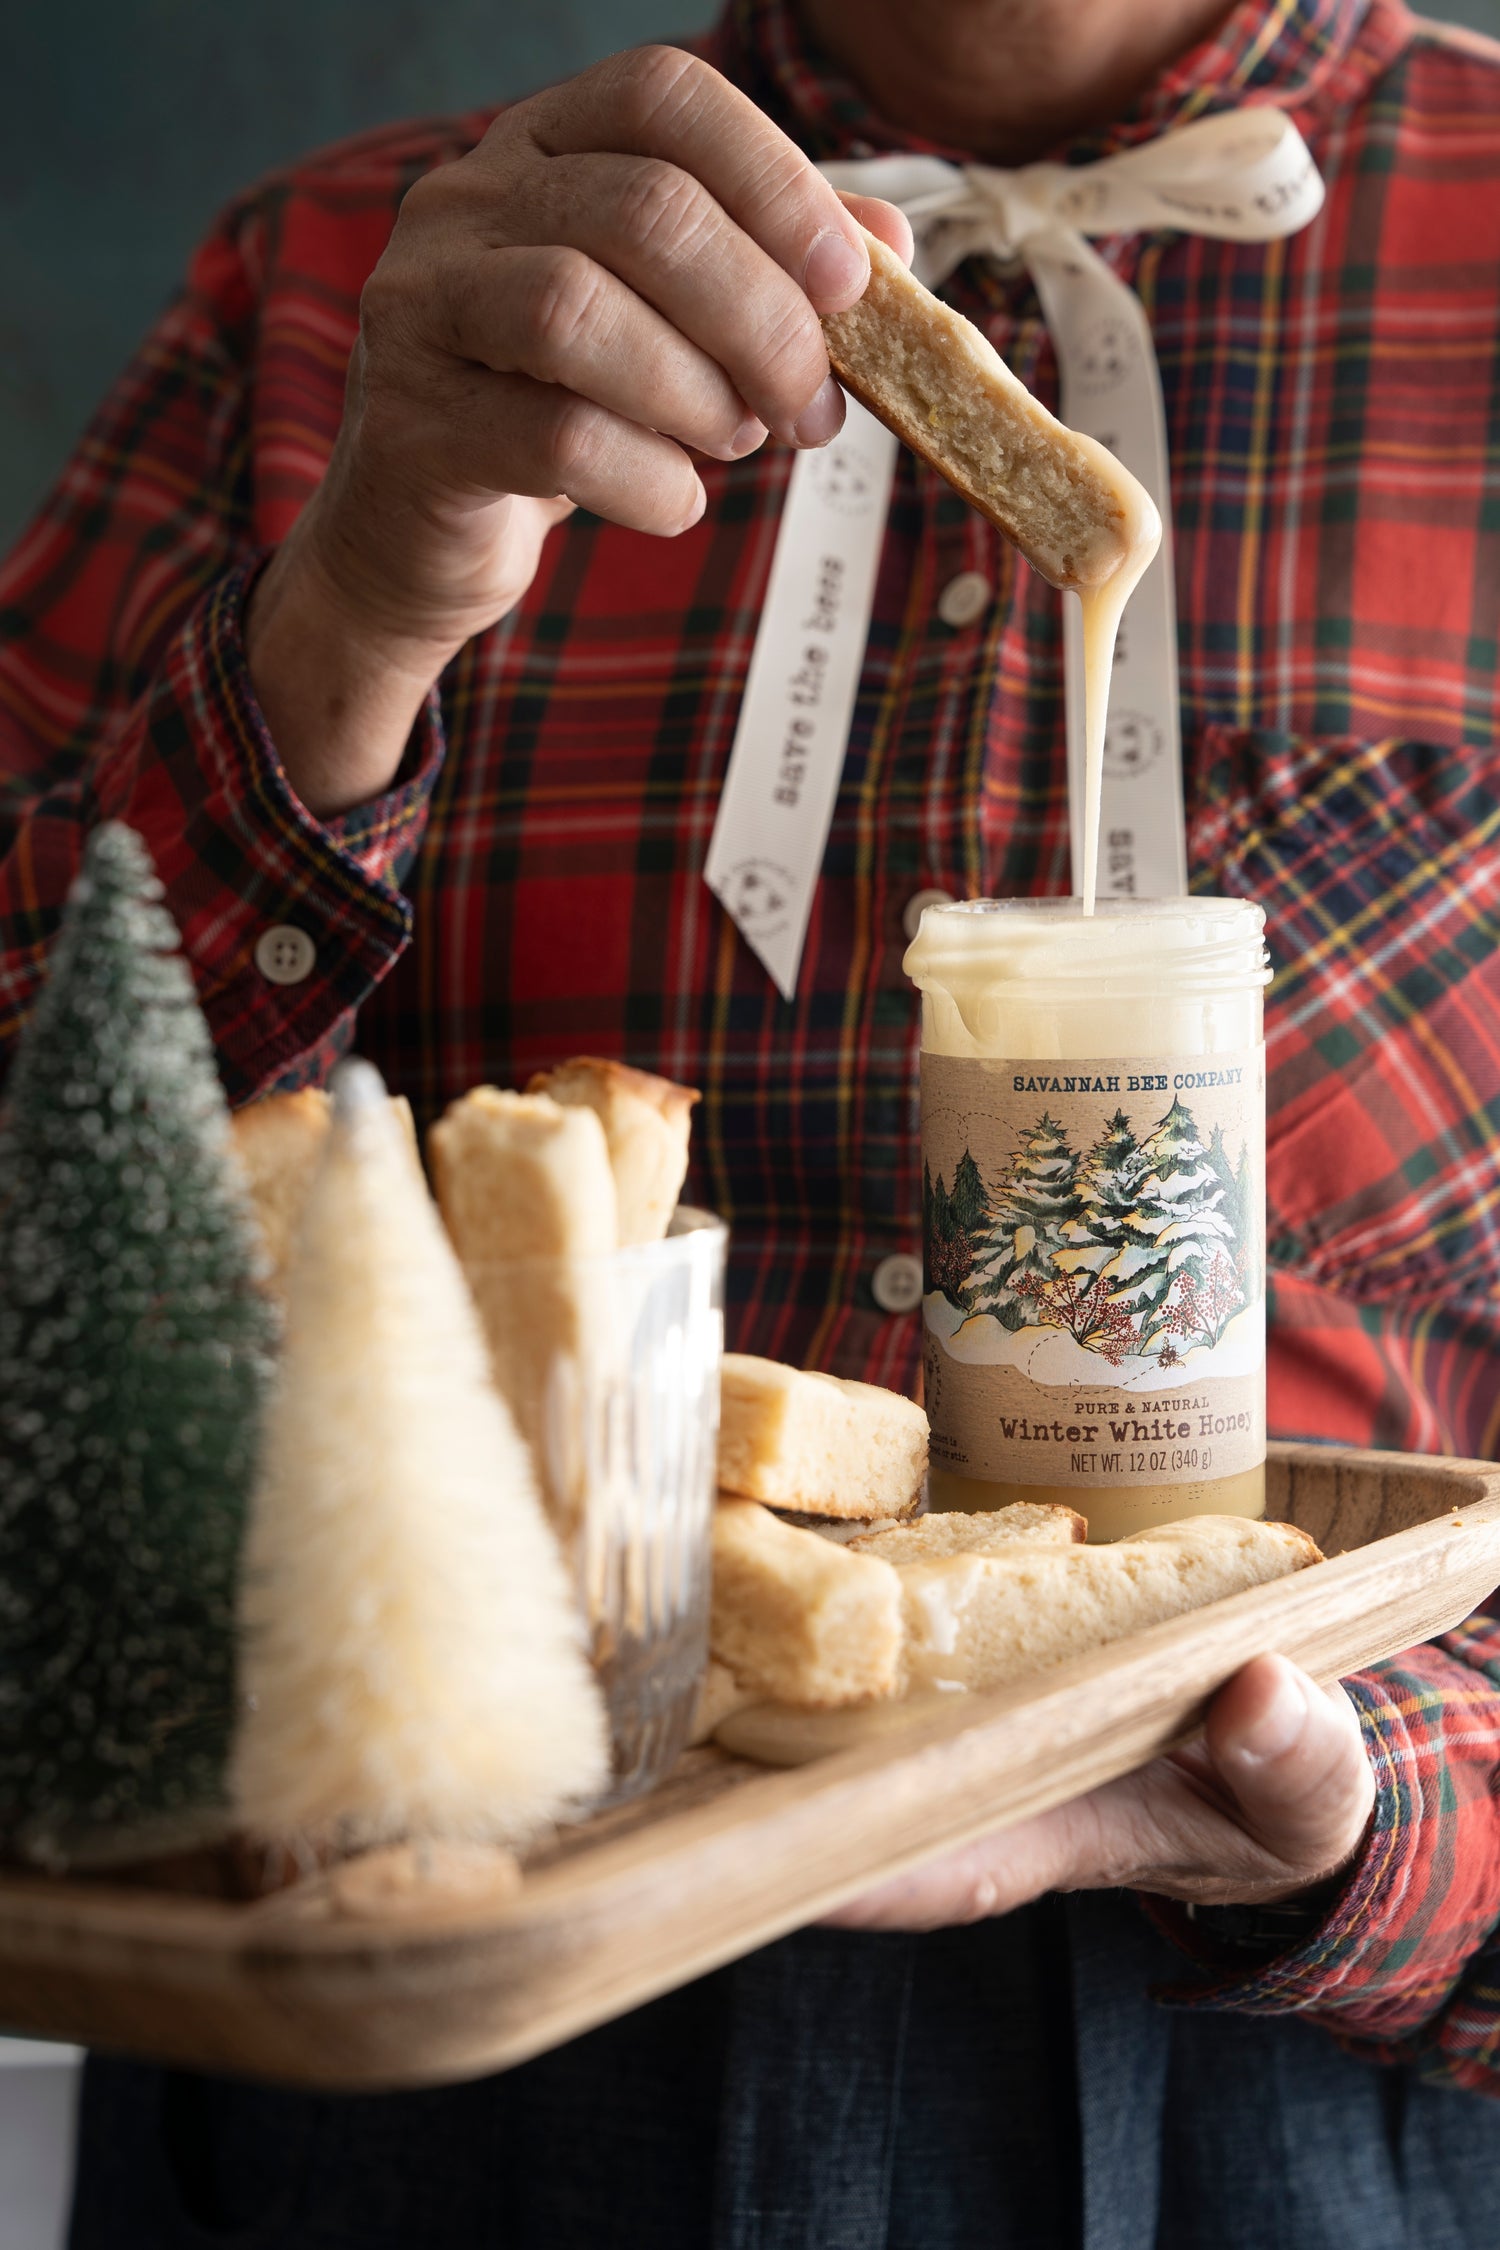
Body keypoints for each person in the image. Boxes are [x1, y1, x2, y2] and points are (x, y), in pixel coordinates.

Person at [4, 0, 1500, 2242]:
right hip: (435, 1959)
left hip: (1272, 2076)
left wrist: (1386, 1809)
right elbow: (57, 1237)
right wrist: (352, 623)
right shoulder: (350, 287)